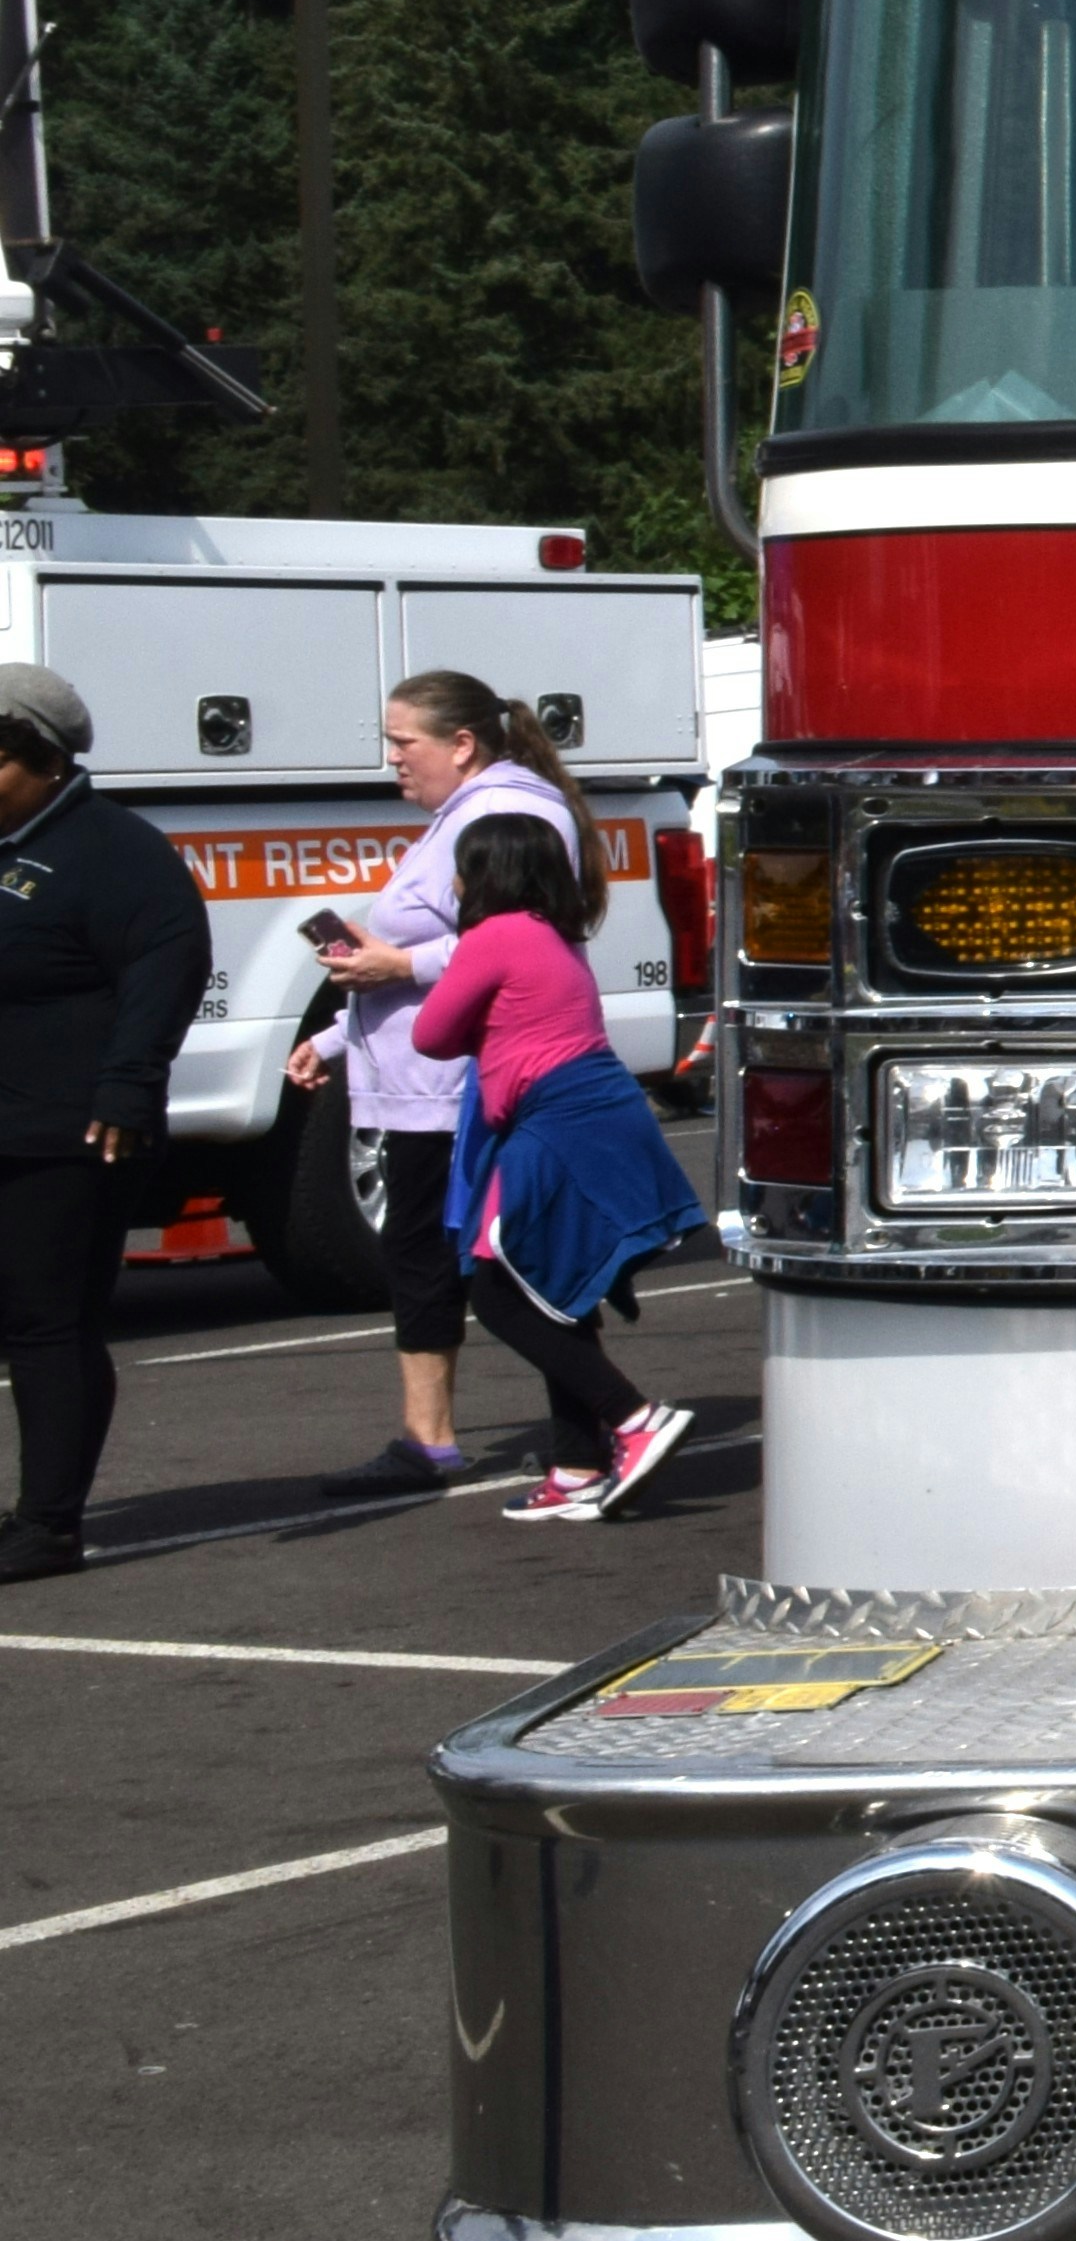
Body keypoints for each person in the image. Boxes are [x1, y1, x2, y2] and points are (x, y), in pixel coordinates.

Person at [289, 673, 586, 1496]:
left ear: (461, 744)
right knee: (420, 1249)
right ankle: (435, 1439)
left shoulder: (508, 810)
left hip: (471, 1083)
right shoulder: (458, 814)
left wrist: (399, 962)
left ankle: (594, 1432)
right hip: (422, 1082)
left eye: (403, 742)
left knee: (505, 1262)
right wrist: (334, 1037)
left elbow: (529, 937)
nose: (393, 759)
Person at [413, 812, 701, 1522]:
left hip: (560, 1118)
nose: (454, 882)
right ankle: (576, 1466)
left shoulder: (495, 934)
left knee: (499, 1293)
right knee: (553, 1288)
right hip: (596, 1109)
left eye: (462, 867)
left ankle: (635, 1418)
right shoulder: (554, 935)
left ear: (489, 874)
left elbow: (430, 1034)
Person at [0, 660, 218, 1580]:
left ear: (46, 759)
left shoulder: (113, 850)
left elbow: (168, 965)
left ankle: (49, 1524)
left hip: (70, 1131)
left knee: (48, 1322)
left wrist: (127, 1085)